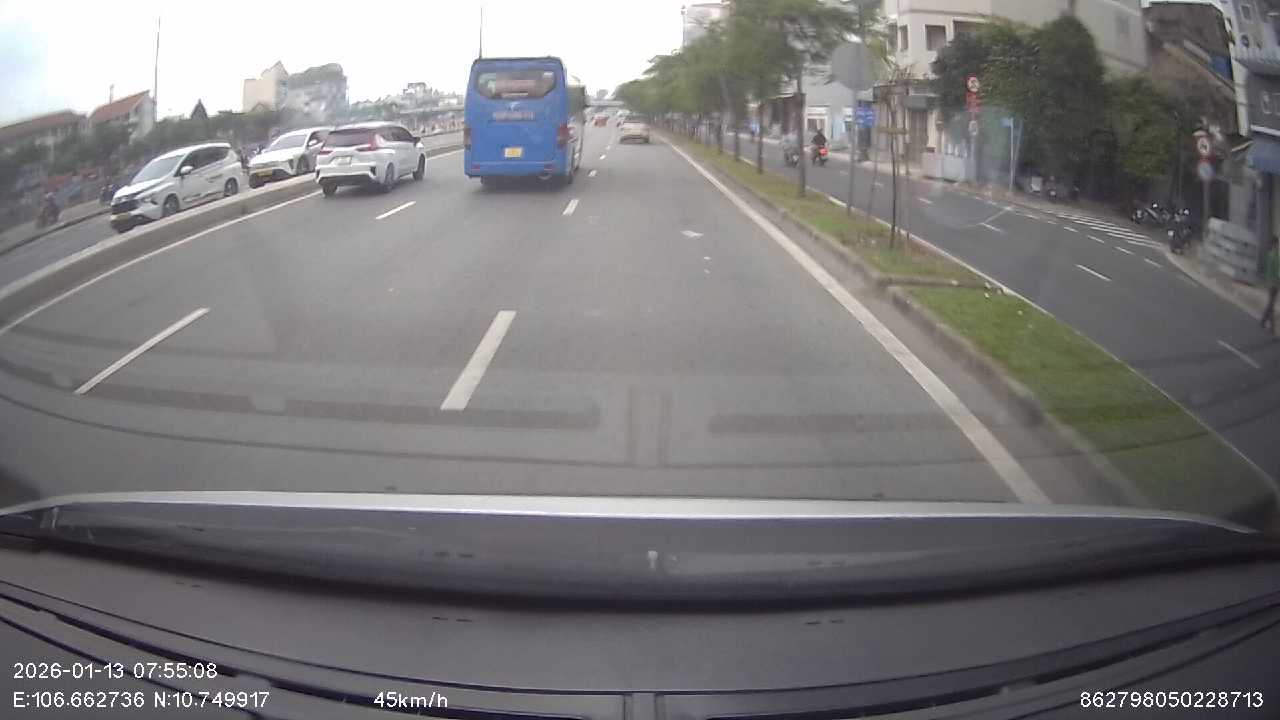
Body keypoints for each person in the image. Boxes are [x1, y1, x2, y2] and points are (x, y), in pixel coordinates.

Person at [1262, 237, 1279, 333]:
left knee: (1271, 303)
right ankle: (1271, 326)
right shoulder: (1275, 255)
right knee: (1271, 304)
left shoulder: (1270, 254)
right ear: (1275, 244)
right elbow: (1277, 270)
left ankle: (1264, 321)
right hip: (1274, 283)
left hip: (1270, 282)